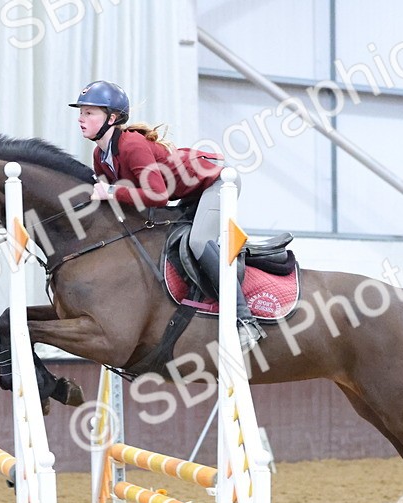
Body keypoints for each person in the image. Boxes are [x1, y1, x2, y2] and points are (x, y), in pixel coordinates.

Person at [69, 80, 265, 350]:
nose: (81, 119)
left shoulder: (131, 145)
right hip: (188, 192)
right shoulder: (100, 156)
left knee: (198, 243)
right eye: (81, 113)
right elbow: (120, 206)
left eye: (89, 113)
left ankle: (245, 321)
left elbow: (157, 195)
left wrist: (111, 190)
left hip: (218, 182)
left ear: (112, 118)